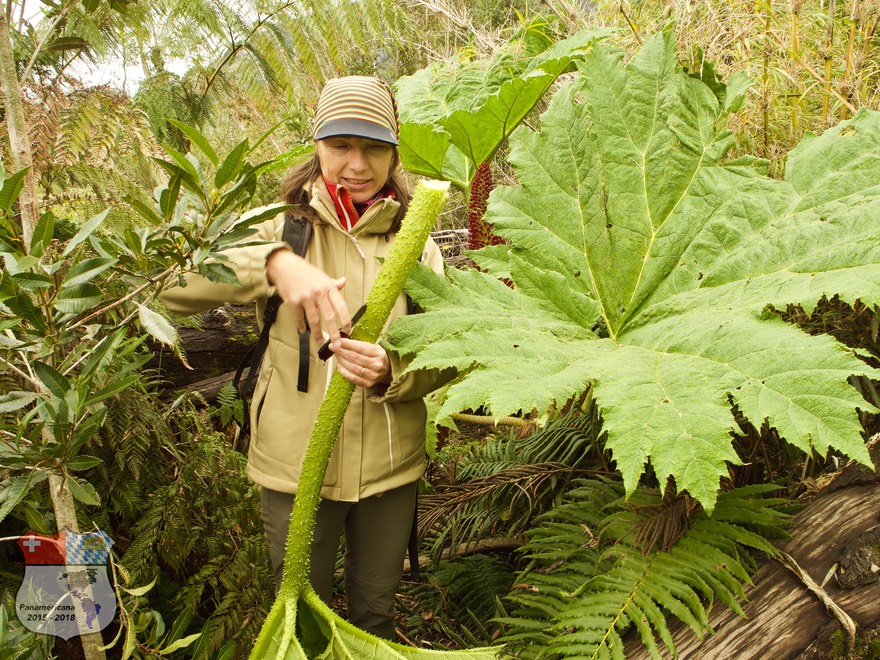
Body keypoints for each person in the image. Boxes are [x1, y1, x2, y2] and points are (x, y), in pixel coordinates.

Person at [159, 76, 448, 640]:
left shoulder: (419, 244)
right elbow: (170, 286)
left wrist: (396, 372)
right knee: (300, 615)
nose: (357, 164)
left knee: (374, 616)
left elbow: (448, 352)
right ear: (316, 145)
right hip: (294, 467)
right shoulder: (281, 227)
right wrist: (274, 264)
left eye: (373, 147)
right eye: (341, 145)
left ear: (394, 153)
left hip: (392, 469)